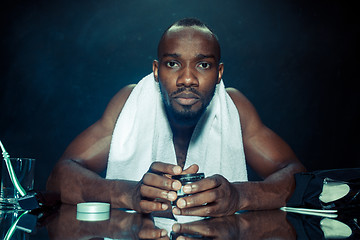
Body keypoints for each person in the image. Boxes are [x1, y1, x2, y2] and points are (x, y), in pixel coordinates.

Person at [46, 18, 306, 218]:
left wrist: (240, 196)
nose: (187, 79)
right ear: (156, 70)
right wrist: (127, 193)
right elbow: (59, 177)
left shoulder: (235, 107)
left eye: (203, 65)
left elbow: (298, 176)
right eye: (173, 63)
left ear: (219, 73)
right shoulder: (129, 102)